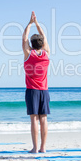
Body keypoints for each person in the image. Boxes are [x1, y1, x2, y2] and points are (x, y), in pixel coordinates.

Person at [22, 11, 51, 153]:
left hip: (32, 90)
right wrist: (37, 23)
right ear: (42, 44)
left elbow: (24, 38)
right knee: (43, 119)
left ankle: (35, 148)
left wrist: (29, 23)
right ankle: (43, 148)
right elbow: (44, 37)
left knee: (34, 119)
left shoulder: (29, 54)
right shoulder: (46, 54)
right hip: (44, 90)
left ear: (32, 45)